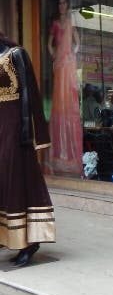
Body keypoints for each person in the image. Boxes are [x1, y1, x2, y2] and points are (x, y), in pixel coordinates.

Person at [0, 32, 56, 266]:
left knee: (17, 178)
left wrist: (26, 132)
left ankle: (30, 242)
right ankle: (7, 236)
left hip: (14, 125)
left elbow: (27, 93)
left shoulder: (16, 54)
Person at [46, 0, 83, 176]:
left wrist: (73, 54)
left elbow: (77, 41)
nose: (61, 5)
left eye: (63, 2)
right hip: (60, 64)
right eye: (59, 3)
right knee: (59, 103)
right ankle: (59, 155)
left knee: (68, 100)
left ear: (67, 5)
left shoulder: (71, 20)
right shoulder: (55, 23)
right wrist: (54, 54)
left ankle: (70, 155)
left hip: (67, 63)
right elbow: (49, 44)